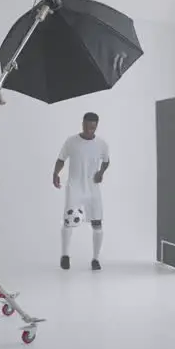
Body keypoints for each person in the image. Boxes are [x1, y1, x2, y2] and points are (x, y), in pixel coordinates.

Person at [53, 112, 110, 271]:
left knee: (97, 223)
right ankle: (65, 256)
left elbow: (106, 161)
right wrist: (55, 173)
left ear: (96, 126)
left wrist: (101, 173)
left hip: (92, 188)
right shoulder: (71, 142)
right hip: (75, 187)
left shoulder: (102, 144)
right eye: (86, 126)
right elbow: (61, 159)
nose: (89, 129)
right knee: (68, 221)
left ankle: (96, 259)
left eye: (92, 127)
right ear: (82, 124)